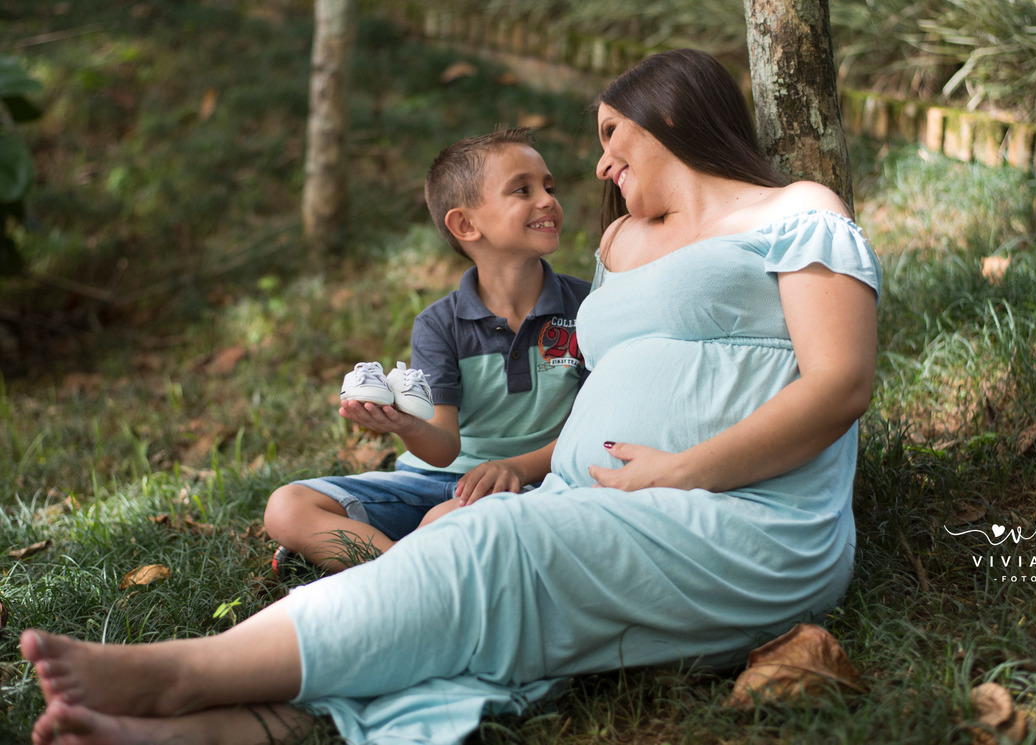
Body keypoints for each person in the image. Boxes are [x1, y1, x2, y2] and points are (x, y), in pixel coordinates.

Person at [19, 48, 881, 745]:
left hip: (742, 522)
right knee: (464, 554)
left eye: (614, 132)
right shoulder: (619, 245)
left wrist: (682, 469)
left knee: (493, 547)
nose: (601, 161)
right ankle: (242, 727)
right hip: (604, 505)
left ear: (671, 114)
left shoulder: (793, 210)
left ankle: (183, 670)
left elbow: (840, 383)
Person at [264, 128, 589, 571]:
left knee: (450, 519)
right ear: (465, 225)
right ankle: (401, 569)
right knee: (287, 506)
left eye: (549, 187)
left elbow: (594, 428)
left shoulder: (587, 307)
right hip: (428, 480)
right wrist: (404, 425)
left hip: (527, 488)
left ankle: (365, 562)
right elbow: (442, 449)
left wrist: (517, 467)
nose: (548, 199)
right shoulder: (439, 324)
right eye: (522, 189)